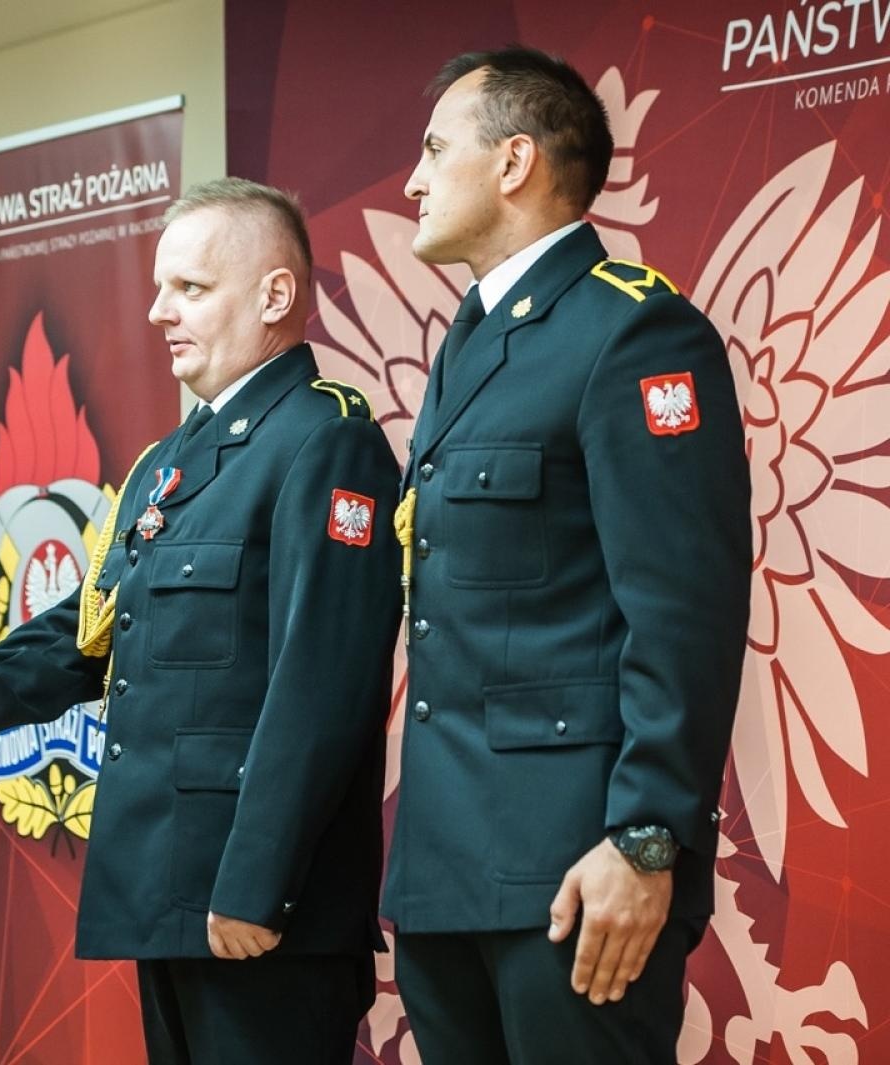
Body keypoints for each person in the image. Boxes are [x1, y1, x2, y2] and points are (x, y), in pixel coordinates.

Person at [0, 178, 402, 1064]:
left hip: (262, 909)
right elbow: (99, 625)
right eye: (160, 288)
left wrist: (257, 883)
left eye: (190, 288)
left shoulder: (325, 438)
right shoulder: (172, 458)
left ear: (277, 296)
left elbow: (323, 684)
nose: (159, 311)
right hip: (171, 891)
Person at [383, 47, 750, 1064]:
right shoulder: (472, 341)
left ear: (513, 162)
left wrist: (646, 839)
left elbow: (683, 609)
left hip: (576, 871)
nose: (411, 180)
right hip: (449, 872)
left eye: (432, 149)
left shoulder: (631, 333)